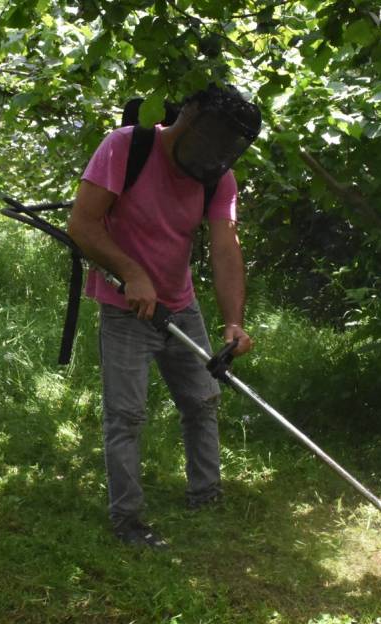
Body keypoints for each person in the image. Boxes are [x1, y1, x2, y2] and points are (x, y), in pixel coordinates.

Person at [67, 84, 262, 549]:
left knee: (202, 400)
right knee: (127, 416)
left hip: (179, 304)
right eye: (210, 137)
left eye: (225, 144)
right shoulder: (125, 147)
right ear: (188, 118)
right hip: (124, 311)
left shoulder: (217, 176)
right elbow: (82, 224)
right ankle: (128, 521)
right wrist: (132, 273)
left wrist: (233, 321)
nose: (215, 151)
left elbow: (225, 247)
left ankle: (206, 494)